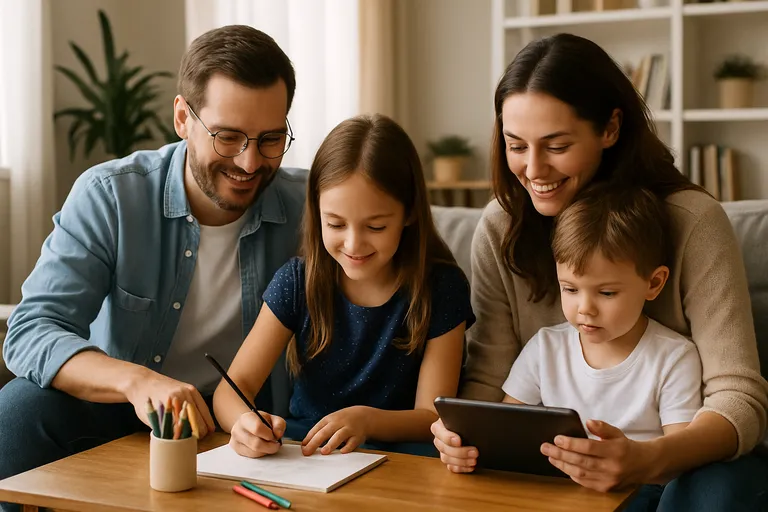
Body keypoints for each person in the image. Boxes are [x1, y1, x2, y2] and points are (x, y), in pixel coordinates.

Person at [431, 33, 768, 511]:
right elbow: (490, 377)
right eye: (516, 145)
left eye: (557, 145)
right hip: (562, 467)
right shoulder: (502, 225)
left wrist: (647, 460)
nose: (533, 169)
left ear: (610, 128)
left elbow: (738, 395)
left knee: (719, 491)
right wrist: (460, 433)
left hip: (681, 464)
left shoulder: (691, 222)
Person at [0, 25, 305, 509]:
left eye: (270, 139)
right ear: (183, 117)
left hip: (252, 420)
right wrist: (137, 381)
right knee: (18, 411)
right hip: (129, 410)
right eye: (228, 137)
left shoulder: (312, 208)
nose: (250, 162)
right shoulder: (112, 196)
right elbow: (31, 331)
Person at [213, 114, 475, 458]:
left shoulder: (441, 287)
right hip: (307, 452)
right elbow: (231, 390)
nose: (353, 244)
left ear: (409, 213)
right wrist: (244, 423)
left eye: (376, 227)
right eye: (335, 224)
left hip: (401, 457)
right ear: (317, 211)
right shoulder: (297, 281)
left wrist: (367, 421)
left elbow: (432, 416)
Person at [502, 184, 703, 506]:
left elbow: (680, 457)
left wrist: (634, 461)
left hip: (639, 488)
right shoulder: (545, 348)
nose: (585, 308)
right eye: (570, 289)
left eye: (606, 293)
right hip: (555, 487)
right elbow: (505, 426)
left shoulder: (674, 357)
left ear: (654, 283)